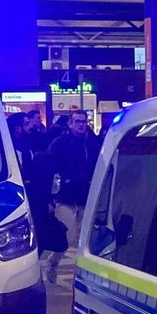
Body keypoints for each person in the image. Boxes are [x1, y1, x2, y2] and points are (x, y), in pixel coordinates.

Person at [44, 110, 100, 283]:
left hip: (85, 196)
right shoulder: (59, 143)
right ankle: (53, 262)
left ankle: (82, 274)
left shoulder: (92, 143)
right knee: (66, 237)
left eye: (83, 121)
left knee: (84, 239)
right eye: (77, 121)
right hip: (65, 197)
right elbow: (49, 169)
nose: (81, 125)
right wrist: (51, 196)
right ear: (70, 124)